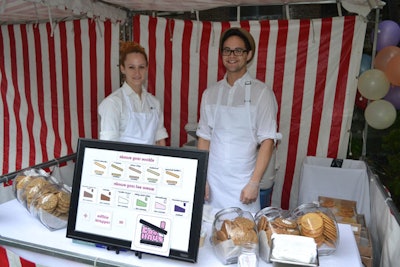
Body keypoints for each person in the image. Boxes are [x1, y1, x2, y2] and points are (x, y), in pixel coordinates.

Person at [196, 27, 281, 213]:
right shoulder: (210, 93)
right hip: (213, 184)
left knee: (243, 237)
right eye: (227, 50)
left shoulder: (262, 93)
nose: (232, 55)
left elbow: (268, 140)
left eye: (238, 51)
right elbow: (204, 138)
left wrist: (254, 182)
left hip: (244, 186)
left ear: (249, 55)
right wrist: (202, 179)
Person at [98, 41, 168, 146]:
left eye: (141, 67)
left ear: (147, 68)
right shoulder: (113, 103)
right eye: (131, 67)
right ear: (122, 69)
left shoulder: (154, 103)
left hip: (150, 161)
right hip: (122, 162)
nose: (137, 73)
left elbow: (160, 140)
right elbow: (108, 146)